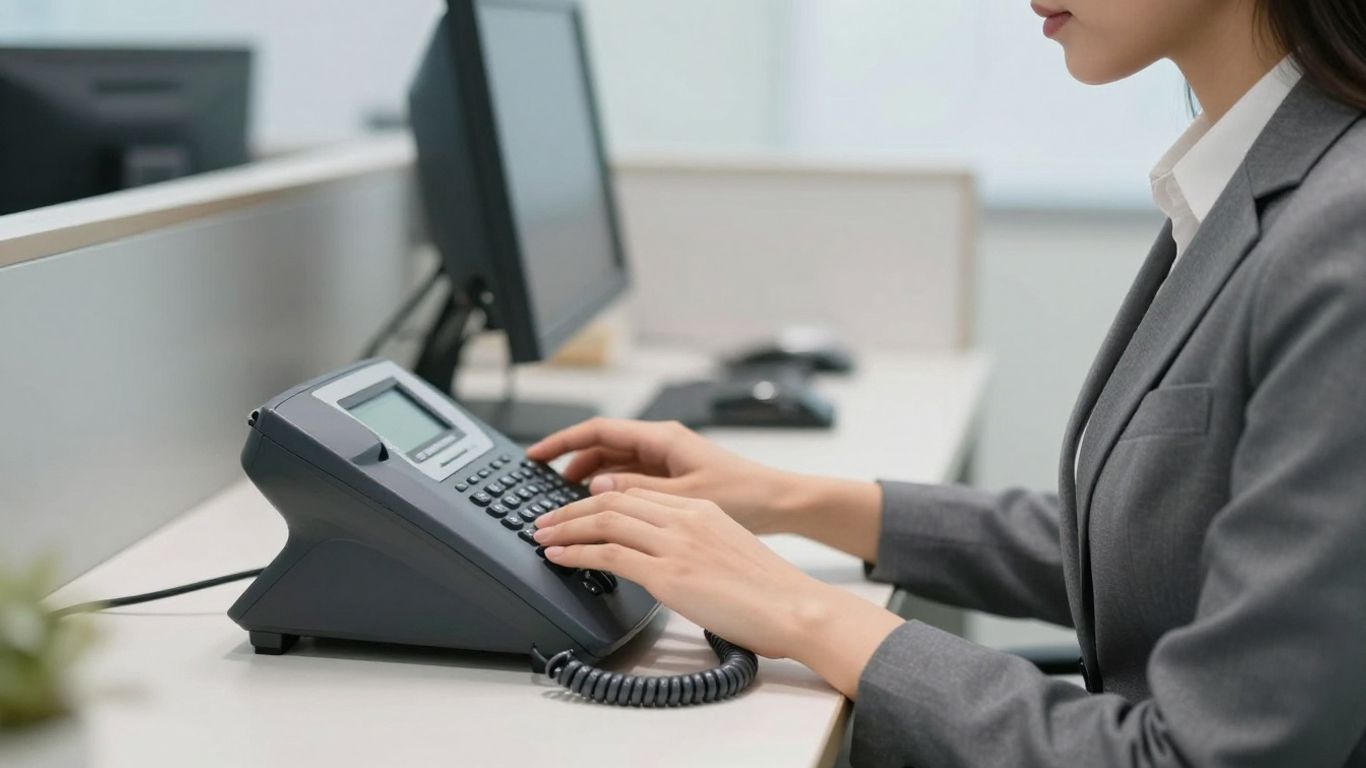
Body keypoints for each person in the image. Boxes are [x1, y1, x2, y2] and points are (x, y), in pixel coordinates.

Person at [528, 0, 1366, 764]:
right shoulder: (1264, 178)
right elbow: (1164, 543)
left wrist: (801, 611)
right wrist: (786, 498)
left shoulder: (1340, 238)